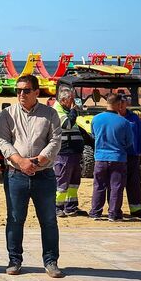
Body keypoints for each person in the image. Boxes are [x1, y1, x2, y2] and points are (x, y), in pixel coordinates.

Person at [0, 74, 64, 278]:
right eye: (18, 90)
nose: (21, 94)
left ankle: (51, 261)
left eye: (26, 90)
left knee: (49, 220)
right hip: (16, 175)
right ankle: (14, 260)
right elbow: (3, 141)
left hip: (44, 175)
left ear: (36, 92)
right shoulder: (7, 114)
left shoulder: (50, 114)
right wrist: (21, 161)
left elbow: (55, 140)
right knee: (15, 219)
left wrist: (38, 161)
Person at [90, 93, 134, 222]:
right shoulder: (124, 122)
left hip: (100, 157)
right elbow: (129, 142)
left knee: (98, 185)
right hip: (118, 158)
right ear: (119, 104)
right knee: (116, 187)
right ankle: (114, 213)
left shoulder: (96, 119)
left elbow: (93, 135)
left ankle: (95, 212)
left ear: (107, 102)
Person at [52, 87, 87, 217]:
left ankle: (71, 207)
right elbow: (67, 124)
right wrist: (73, 110)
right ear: (63, 100)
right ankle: (57, 207)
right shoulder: (57, 111)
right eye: (71, 99)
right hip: (64, 152)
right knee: (62, 181)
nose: (74, 102)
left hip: (73, 152)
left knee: (73, 182)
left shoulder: (67, 111)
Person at [118, 95, 141, 219]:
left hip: (133, 156)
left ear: (127, 104)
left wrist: (140, 151)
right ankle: (115, 210)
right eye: (119, 103)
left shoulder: (134, 118)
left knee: (134, 184)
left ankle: (136, 210)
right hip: (117, 157)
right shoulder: (112, 117)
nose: (121, 106)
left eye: (123, 103)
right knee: (116, 184)